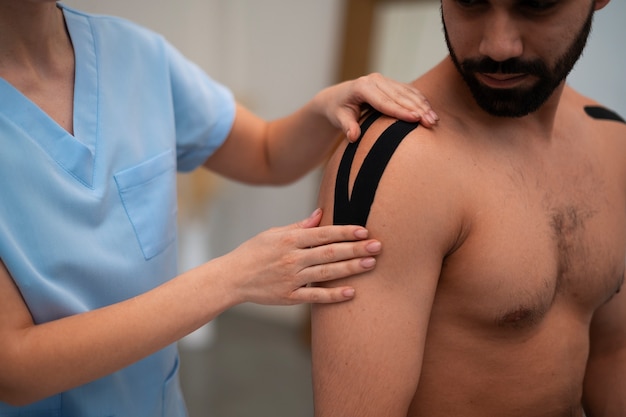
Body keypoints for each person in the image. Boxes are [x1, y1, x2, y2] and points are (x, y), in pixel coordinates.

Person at [0, 1, 440, 416]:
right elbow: (14, 368)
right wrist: (232, 279)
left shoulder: (137, 56)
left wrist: (326, 106)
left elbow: (266, 153)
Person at [311, 0, 626, 416]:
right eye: (470, 2)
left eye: (538, 5)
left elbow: (613, 352)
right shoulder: (401, 163)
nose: (498, 46)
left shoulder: (613, 141)